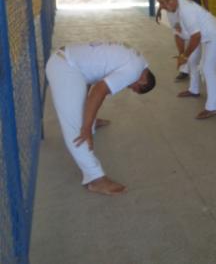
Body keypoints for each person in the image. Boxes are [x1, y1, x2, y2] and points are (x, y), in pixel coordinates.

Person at [45, 42, 156, 195]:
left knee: (84, 114)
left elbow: (94, 78)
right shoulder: (134, 72)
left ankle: (90, 122)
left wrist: (90, 120)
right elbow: (98, 92)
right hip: (65, 67)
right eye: (133, 88)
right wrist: (86, 128)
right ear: (142, 80)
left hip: (70, 60)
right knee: (76, 129)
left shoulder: (140, 60)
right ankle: (95, 179)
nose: (129, 88)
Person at [156, 0, 216, 119]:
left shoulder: (186, 9)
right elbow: (178, 34)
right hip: (197, 35)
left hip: (213, 34)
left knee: (208, 68)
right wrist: (182, 54)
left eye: (167, 1)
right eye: (161, 3)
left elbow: (196, 37)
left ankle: (213, 107)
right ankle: (194, 90)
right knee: (192, 61)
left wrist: (184, 56)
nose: (165, 5)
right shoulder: (170, 12)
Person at [157, 0, 209, 82]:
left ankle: (194, 67)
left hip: (192, 11)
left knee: (193, 37)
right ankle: (184, 68)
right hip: (175, 11)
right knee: (179, 36)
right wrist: (159, 8)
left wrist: (206, 9)